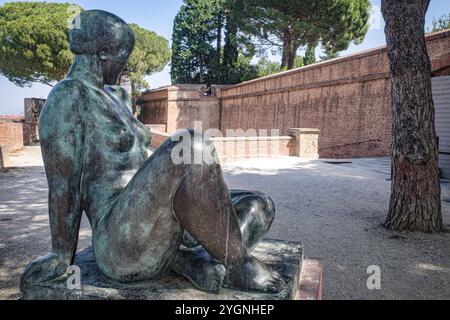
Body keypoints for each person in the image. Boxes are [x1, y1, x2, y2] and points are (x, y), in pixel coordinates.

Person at [21, 10, 284, 294]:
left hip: (155, 220)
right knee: (190, 146)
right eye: (124, 53)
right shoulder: (68, 97)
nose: (126, 62)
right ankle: (236, 264)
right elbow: (63, 186)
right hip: (119, 241)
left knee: (259, 205)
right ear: (104, 52)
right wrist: (61, 257)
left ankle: (186, 259)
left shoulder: (117, 97)